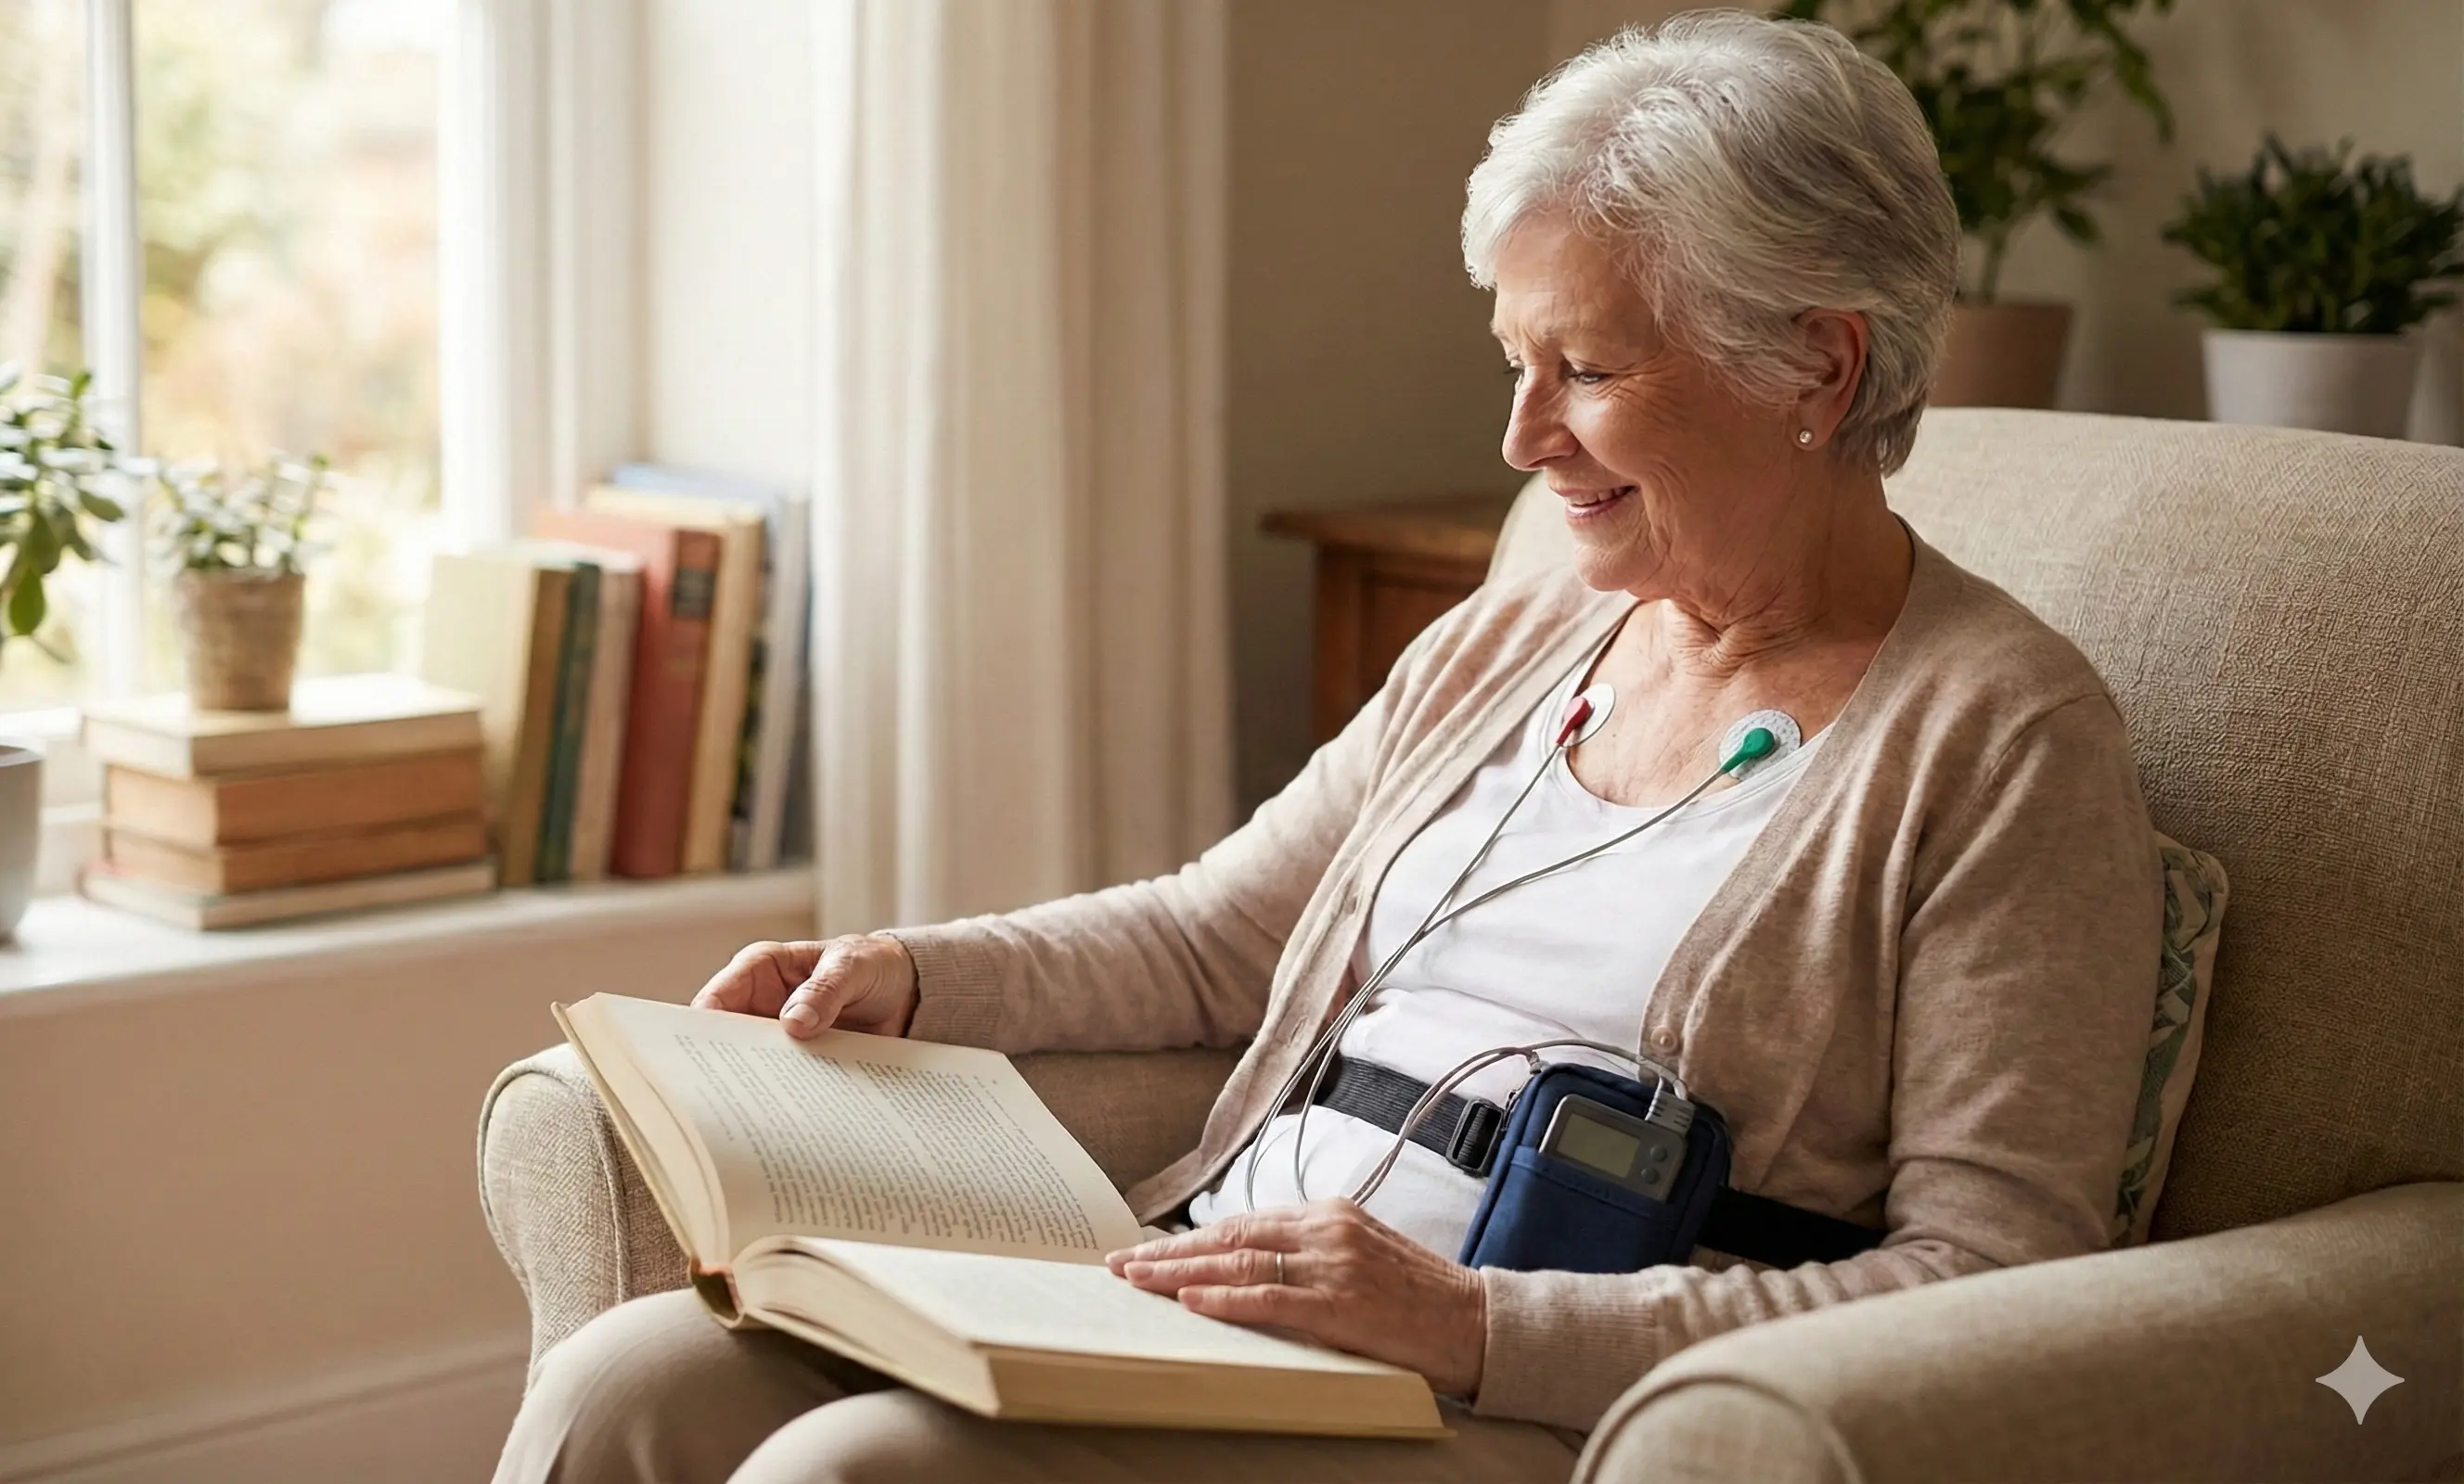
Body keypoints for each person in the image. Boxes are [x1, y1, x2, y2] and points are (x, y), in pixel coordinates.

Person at [495, 12, 2161, 1482]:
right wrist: (911, 972)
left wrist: (1471, 1325)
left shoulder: (2001, 739)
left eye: (1584, 369)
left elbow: (1989, 1272)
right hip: (1208, 1288)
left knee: (855, 1472)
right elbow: (1225, 929)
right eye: (1517, 363)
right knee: (624, 1385)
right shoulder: (1515, 641)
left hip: (1494, 1407)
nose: (1522, 440)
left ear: (1817, 362)